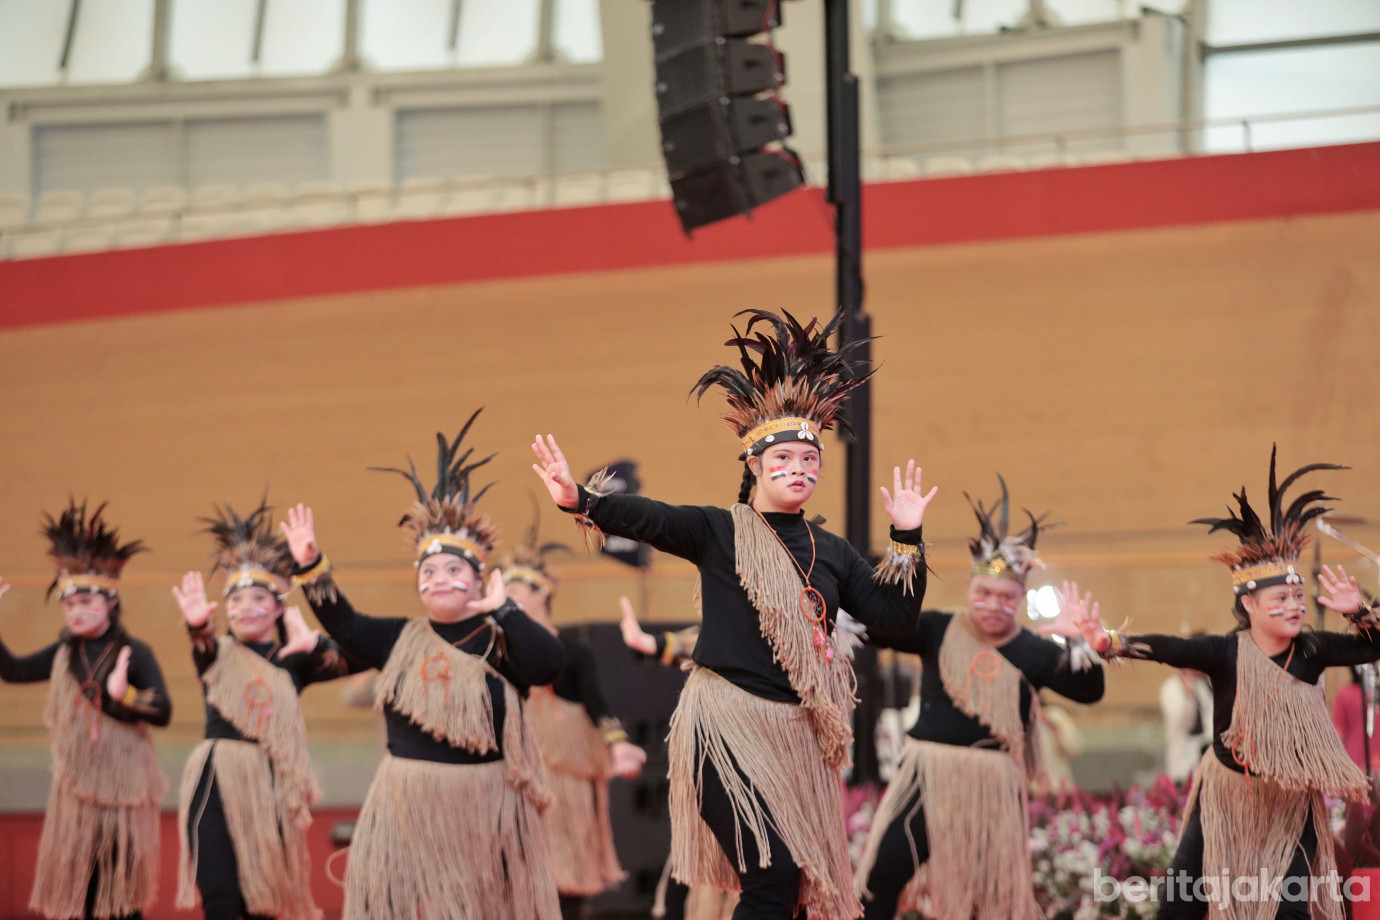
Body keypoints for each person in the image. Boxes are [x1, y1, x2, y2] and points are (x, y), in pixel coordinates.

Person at [532, 309, 935, 920]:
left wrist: (907, 536)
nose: (799, 469)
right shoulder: (719, 531)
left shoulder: (833, 552)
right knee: (772, 878)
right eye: (784, 458)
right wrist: (580, 500)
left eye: (810, 459)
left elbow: (893, 617)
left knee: (795, 890)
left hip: (796, 738)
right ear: (754, 465)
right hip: (726, 728)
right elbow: (653, 518)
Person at [281, 412, 566, 920]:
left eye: (454, 568)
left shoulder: (500, 640)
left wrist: (505, 609)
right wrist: (310, 565)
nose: (439, 578)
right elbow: (344, 624)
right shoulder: (398, 637)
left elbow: (548, 665)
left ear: (478, 579)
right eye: (428, 569)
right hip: (405, 802)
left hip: (487, 804)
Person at [1077, 447, 1379, 920]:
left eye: (1298, 596)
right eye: (1281, 598)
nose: (1294, 606)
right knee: (1179, 904)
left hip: (1290, 808)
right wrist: (1111, 641)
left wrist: (1359, 611)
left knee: (1289, 911)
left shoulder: (1314, 649)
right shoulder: (1225, 652)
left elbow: (1372, 648)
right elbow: (1171, 647)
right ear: (1250, 605)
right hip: (1226, 798)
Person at [853, 477, 1106, 920]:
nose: (992, 604)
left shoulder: (1036, 651)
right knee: (881, 877)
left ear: (1021, 598)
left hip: (993, 785)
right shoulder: (937, 628)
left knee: (988, 898)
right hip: (926, 776)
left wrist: (1079, 644)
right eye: (983, 594)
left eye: (1005, 597)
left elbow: (1090, 691)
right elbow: (877, 626)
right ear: (970, 589)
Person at [173, 501, 352, 920]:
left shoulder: (294, 659)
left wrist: (319, 645)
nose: (246, 607)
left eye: (258, 597)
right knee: (221, 897)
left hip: (271, 784)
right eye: (235, 599)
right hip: (216, 781)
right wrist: (197, 626)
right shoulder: (216, 653)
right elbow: (202, 646)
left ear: (278, 607)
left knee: (265, 900)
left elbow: (361, 656)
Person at [0, 500, 171, 920]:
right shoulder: (64, 653)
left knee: (119, 895)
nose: (75, 612)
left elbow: (162, 710)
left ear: (111, 601)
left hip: (123, 792)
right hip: (76, 791)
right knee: (82, 895)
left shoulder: (134, 651)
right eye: (69, 605)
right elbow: (13, 671)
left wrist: (123, 698)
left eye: (85, 602)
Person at [502, 518, 647, 920]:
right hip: (517, 768)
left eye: (515, 591)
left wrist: (618, 744)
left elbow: (597, 702)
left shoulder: (573, 652)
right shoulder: (497, 650)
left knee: (567, 864)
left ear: (542, 593)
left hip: (568, 772)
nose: (507, 599)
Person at [1161, 643, 1214, 785]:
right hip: (1182, 767)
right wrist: (1189, 696)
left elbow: (1210, 720)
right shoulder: (1171, 688)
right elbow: (1181, 724)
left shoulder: (1204, 685)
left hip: (1206, 763)